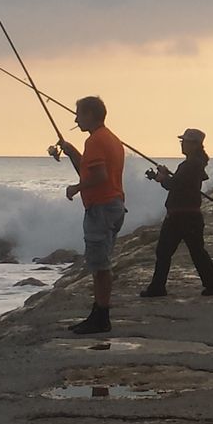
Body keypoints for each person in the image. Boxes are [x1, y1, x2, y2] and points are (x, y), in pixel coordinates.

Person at [57, 96, 126, 335]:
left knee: (100, 266)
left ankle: (101, 317)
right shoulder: (111, 139)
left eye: (79, 114)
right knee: (100, 264)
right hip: (114, 206)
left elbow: (100, 177)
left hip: (102, 208)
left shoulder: (95, 141)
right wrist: (71, 151)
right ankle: (98, 314)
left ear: (90, 114)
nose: (76, 119)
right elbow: (88, 167)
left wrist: (76, 188)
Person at [139, 128, 213, 299]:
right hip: (190, 215)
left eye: (185, 141)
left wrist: (162, 177)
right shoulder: (195, 164)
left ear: (194, 145)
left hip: (180, 216)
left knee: (164, 251)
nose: (182, 144)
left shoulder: (190, 164)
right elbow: (179, 182)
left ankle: (158, 287)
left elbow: (173, 184)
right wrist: (164, 176)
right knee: (197, 252)